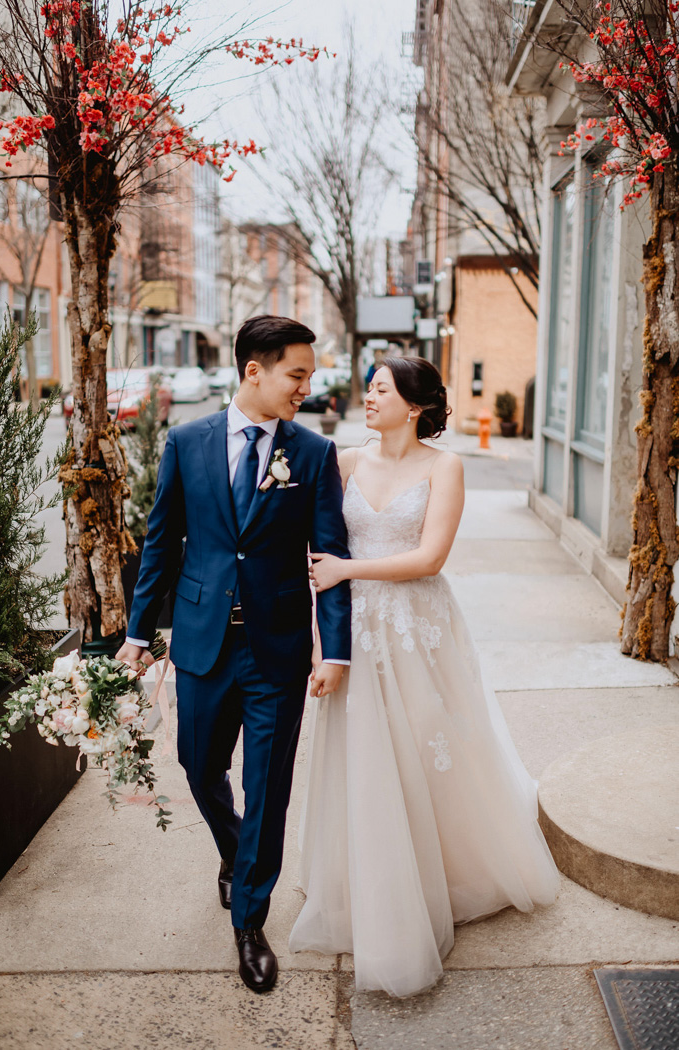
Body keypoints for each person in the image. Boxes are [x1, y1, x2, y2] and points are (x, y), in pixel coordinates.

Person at [289, 357, 559, 998]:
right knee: (367, 751)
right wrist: (318, 635)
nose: (369, 396)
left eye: (381, 388)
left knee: (428, 744)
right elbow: (315, 550)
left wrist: (347, 573)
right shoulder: (346, 463)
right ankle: (373, 872)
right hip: (355, 630)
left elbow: (430, 556)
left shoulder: (446, 467)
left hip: (418, 625)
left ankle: (447, 871)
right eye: (371, 387)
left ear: (413, 405)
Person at [117, 315, 352, 994]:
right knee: (198, 765)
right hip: (202, 642)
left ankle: (249, 921)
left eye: (308, 375)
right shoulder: (187, 443)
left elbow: (328, 558)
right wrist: (138, 634)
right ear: (255, 370)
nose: (306, 388)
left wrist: (331, 650)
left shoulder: (311, 454)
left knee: (270, 788)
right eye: (297, 375)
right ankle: (236, 849)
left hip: (278, 648)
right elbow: (162, 542)